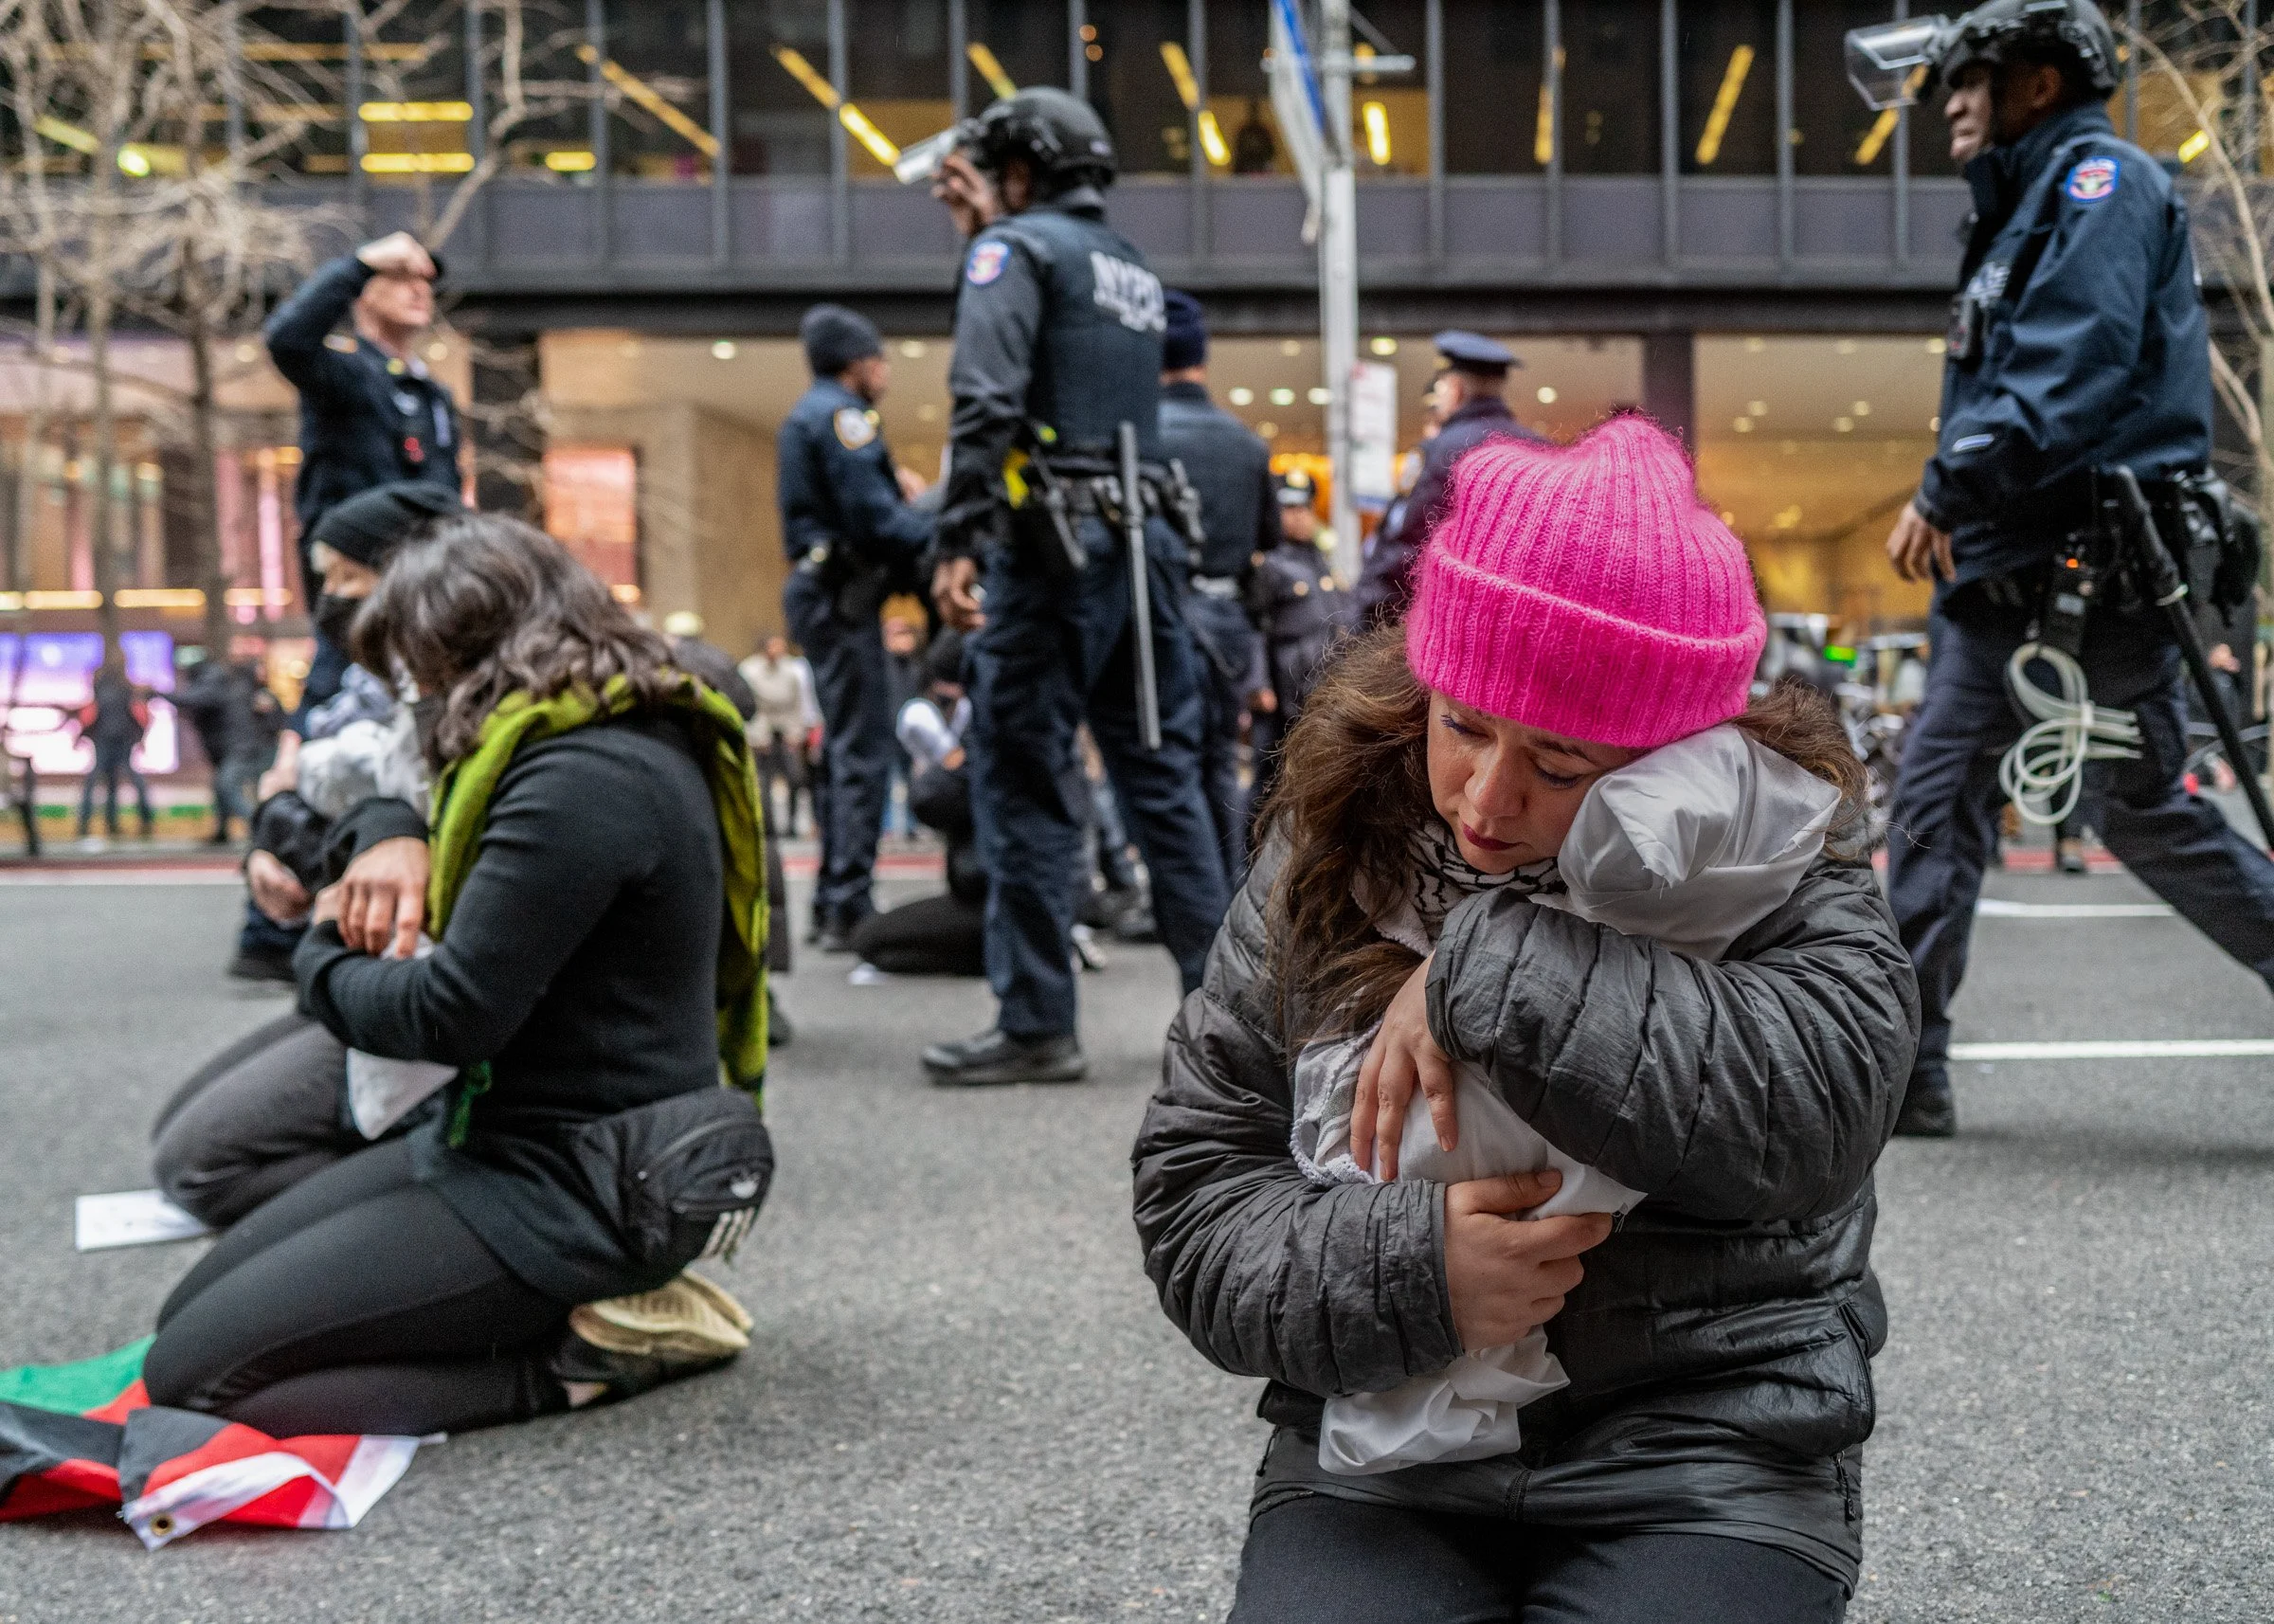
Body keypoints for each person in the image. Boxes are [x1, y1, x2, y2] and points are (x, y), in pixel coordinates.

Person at [1133, 417, 1918, 1621]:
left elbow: (1817, 1113)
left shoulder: (1775, 844)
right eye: (1463, 726)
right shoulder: (1343, 830)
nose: (1488, 803)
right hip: (1382, 1446)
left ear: (1682, 758)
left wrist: (1484, 969)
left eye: (1563, 764)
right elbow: (1196, 1186)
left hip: (1707, 1442)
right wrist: (1415, 1269)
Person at [141, 514, 773, 1438]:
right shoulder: (562, 731)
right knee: (180, 1326)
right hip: (488, 1135)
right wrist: (380, 832)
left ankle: (582, 1361)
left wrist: (319, 948)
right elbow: (391, 809)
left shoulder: (582, 776)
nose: (416, 695)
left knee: (203, 1384)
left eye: (417, 667)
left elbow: (448, 1017)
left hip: (577, 1186)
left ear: (472, 641)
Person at [1878, 0, 2274, 1138]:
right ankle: (1907, 1074)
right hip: (2015, 580)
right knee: (1934, 805)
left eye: (1971, 79)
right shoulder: (2023, 209)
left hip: (2090, 579)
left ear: (2037, 85)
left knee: (2138, 811)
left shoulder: (2100, 186)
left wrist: (1946, 484)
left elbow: (2070, 370)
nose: (1950, 102)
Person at [922, 87, 1231, 1085]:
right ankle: (1231, 1023)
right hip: (1140, 549)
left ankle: (1037, 1022)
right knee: (1163, 779)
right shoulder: (1130, 266)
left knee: (1021, 778)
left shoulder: (1011, 254)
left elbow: (988, 398)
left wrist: (958, 536)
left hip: (1049, 553)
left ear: (1019, 171)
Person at [778, 303, 934, 950]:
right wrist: (927, 510)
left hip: (827, 594)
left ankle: (834, 899)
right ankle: (849, 902)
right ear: (859, 363)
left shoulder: (811, 416)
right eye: (881, 361)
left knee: (848, 751)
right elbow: (878, 525)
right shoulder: (844, 420)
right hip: (843, 597)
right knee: (862, 756)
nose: (887, 373)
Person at [263, 230, 461, 720]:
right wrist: (358, 264)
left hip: (423, 578)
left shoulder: (432, 396)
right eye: (398, 278)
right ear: (364, 293)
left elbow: (447, 490)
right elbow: (287, 340)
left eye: (424, 281)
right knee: (338, 677)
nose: (419, 290)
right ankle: (296, 762)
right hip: (357, 575)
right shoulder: (344, 373)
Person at [1157, 288, 1278, 884]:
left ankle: (1186, 892)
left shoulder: (1142, 435)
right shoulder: (1246, 444)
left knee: (1164, 763)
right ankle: (1227, 890)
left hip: (1163, 614)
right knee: (1217, 763)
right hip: (1227, 621)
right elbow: (1270, 538)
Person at [1353, 332, 1540, 627]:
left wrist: (1364, 618)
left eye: (1441, 386)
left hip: (1455, 623)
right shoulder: (1538, 449)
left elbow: (1408, 546)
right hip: (1521, 621)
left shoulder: (1441, 450)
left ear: (1456, 389)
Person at [849, 629, 987, 977]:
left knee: (872, 941)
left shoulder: (990, 722)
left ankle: (999, 955)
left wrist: (950, 759)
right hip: (1019, 896)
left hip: (1001, 899)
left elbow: (930, 797)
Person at [1244, 470, 1350, 814]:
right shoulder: (1270, 564)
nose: (1300, 517)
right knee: (1270, 779)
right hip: (1283, 691)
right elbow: (1254, 628)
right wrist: (1257, 682)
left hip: (1319, 686)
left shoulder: (1318, 560)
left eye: (1305, 508)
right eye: (1290, 509)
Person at [741, 633, 818, 837]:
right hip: (761, 729)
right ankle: (768, 826)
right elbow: (749, 705)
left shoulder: (790, 670)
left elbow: (796, 703)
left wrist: (796, 732)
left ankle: (792, 824)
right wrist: (756, 736)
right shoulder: (750, 670)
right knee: (763, 781)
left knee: (795, 777)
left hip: (786, 729)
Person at [73, 657, 153, 842]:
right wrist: (140, 737)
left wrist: (80, 736)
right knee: (119, 781)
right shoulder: (126, 689)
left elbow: (92, 715)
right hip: (123, 739)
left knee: (96, 780)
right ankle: (134, 821)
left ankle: (85, 823)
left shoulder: (100, 690)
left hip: (105, 740)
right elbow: (137, 714)